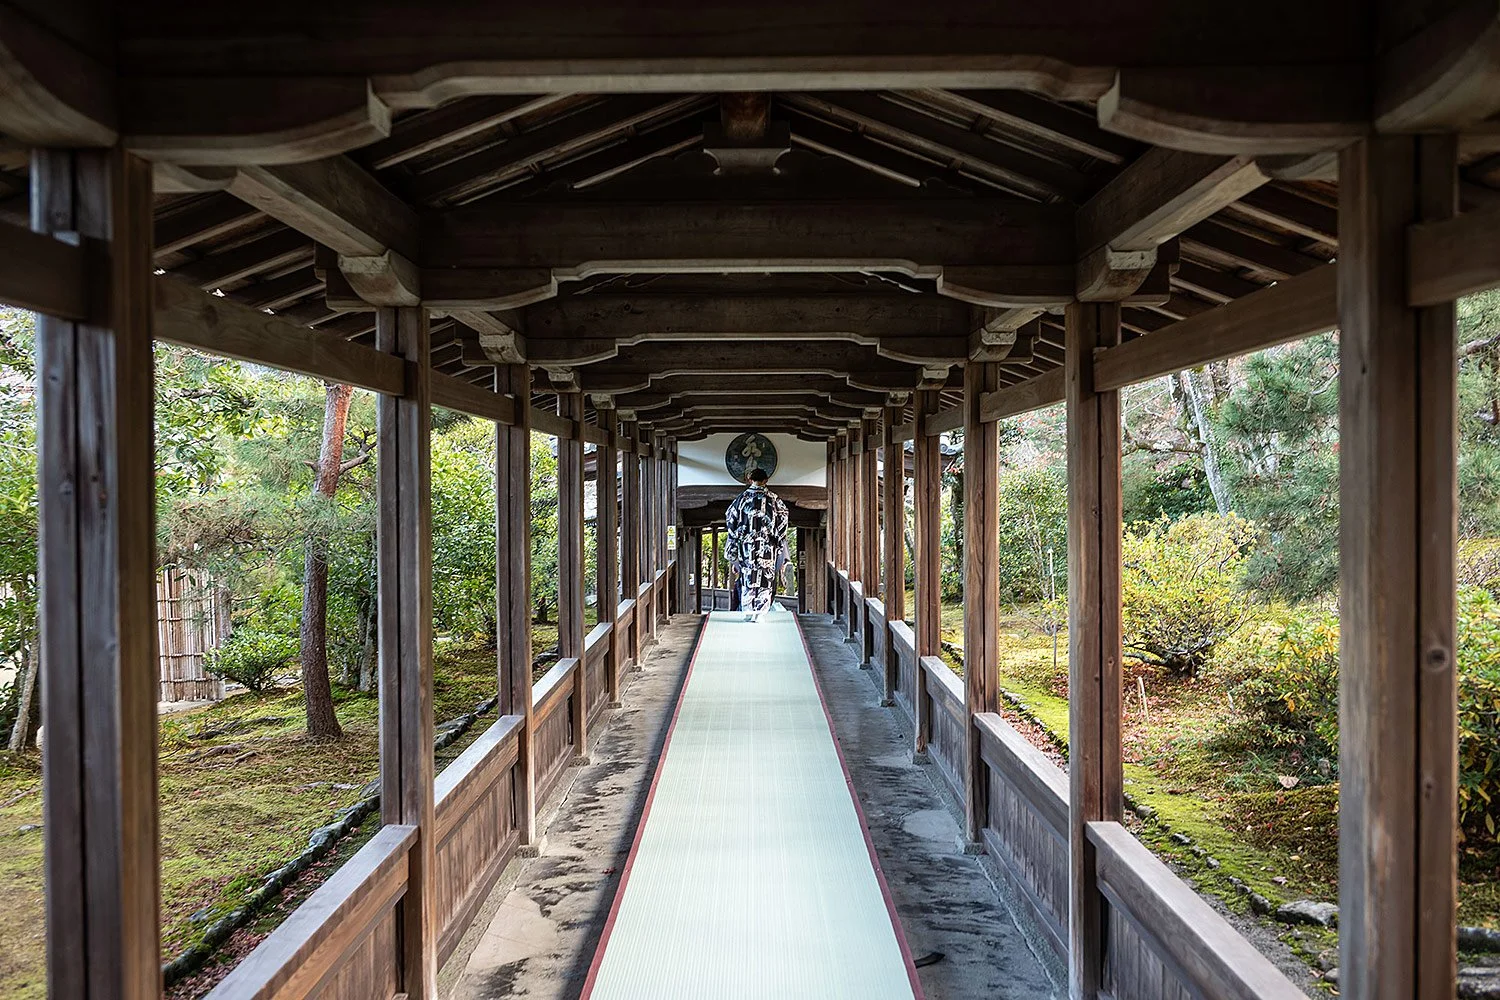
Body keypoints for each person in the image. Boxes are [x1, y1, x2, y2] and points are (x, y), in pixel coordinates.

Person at [723, 467, 790, 622]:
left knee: (748, 578)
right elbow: (783, 519)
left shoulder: (741, 499)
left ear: (749, 479)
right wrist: (777, 540)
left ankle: (748, 612)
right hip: (767, 548)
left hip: (747, 549)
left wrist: (736, 540)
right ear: (766, 480)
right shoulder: (773, 499)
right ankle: (760, 615)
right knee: (765, 580)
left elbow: (730, 519)